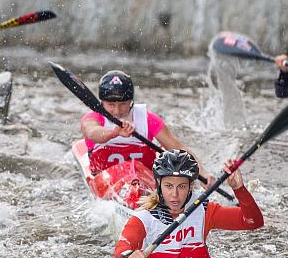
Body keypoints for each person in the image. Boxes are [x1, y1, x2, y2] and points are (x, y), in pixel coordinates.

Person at [113, 150, 263, 258]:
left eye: (182, 186)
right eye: (168, 186)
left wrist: (239, 188)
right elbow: (122, 247)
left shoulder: (205, 212)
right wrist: (129, 255)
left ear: (191, 185)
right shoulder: (144, 218)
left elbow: (253, 221)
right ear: (158, 184)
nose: (175, 195)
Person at [81, 70, 213, 181]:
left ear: (131, 102)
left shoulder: (148, 119)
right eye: (111, 105)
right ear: (101, 103)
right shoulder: (93, 118)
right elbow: (92, 133)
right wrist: (115, 132)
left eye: (123, 104)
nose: (117, 110)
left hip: (142, 182)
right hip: (106, 181)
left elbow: (178, 148)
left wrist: (203, 174)